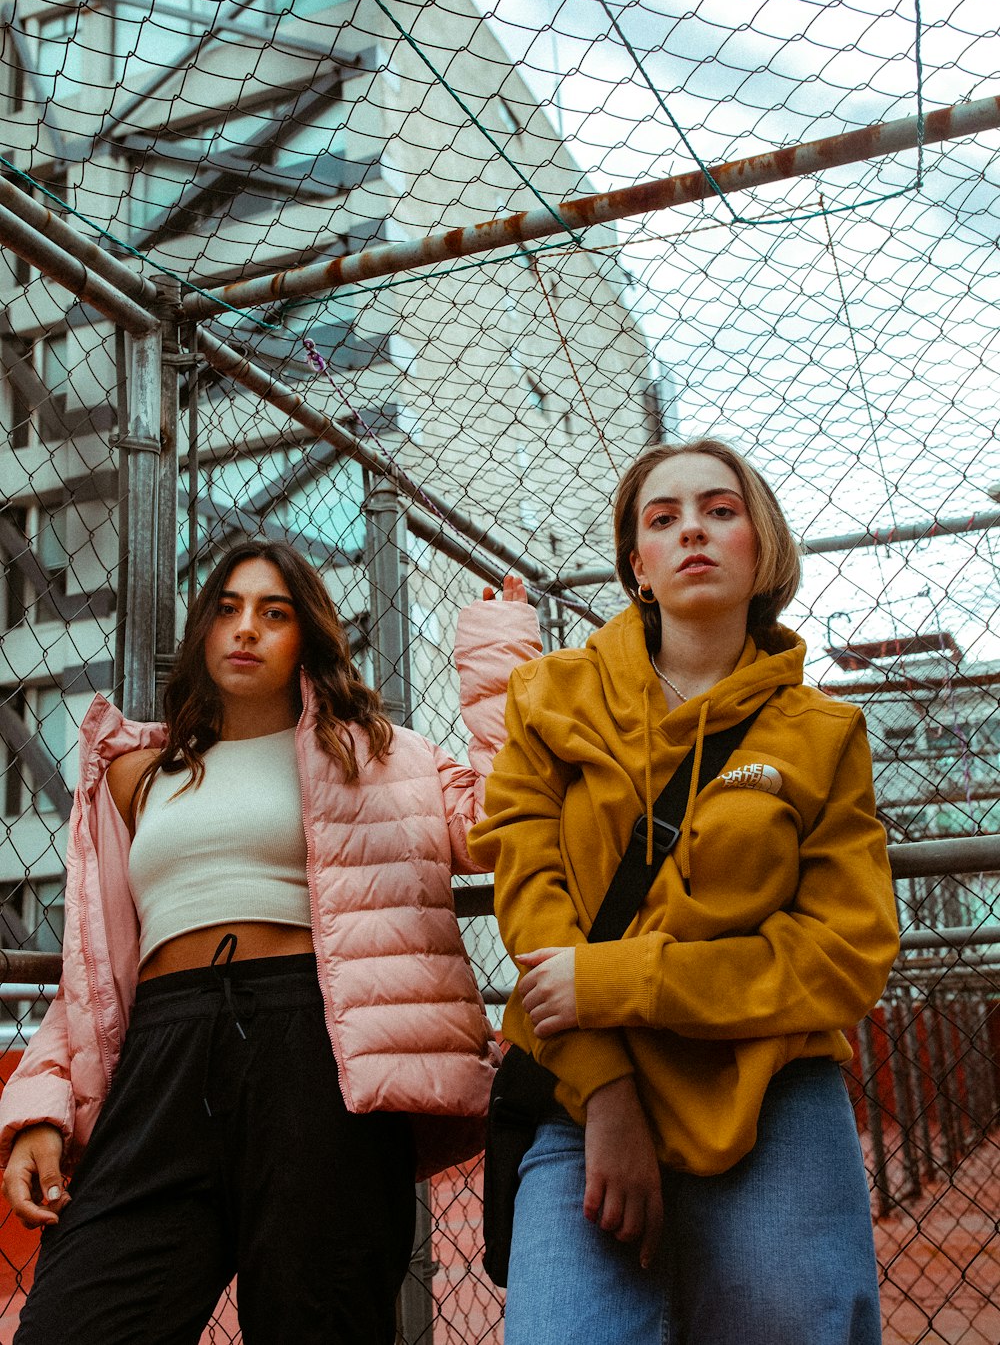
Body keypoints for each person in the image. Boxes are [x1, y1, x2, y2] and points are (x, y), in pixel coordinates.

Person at [0, 539, 541, 1345]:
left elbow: (510, 823)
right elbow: (95, 970)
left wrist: (502, 662)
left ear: (308, 637)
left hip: (317, 1055)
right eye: (227, 608)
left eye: (273, 613)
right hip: (163, 1057)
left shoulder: (388, 760)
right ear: (202, 632)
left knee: (318, 1322)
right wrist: (41, 1110)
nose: (245, 629)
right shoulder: (134, 774)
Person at [468, 439, 899, 1345]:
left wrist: (626, 981)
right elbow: (528, 882)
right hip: (584, 1084)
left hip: (768, 1086)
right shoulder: (552, 696)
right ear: (639, 566)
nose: (692, 529)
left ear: (761, 547)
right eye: (662, 519)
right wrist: (609, 1093)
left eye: (720, 510)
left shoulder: (823, 733)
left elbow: (844, 954)